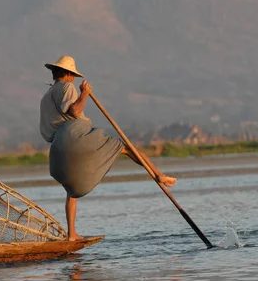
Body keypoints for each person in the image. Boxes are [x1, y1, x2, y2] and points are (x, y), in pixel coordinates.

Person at [39, 55, 176, 241]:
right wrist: (85, 93)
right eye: (72, 74)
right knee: (125, 147)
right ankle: (158, 174)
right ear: (68, 74)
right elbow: (74, 111)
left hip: (57, 148)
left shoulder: (46, 97)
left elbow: (49, 128)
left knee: (72, 190)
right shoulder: (66, 87)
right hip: (73, 137)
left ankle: (72, 234)